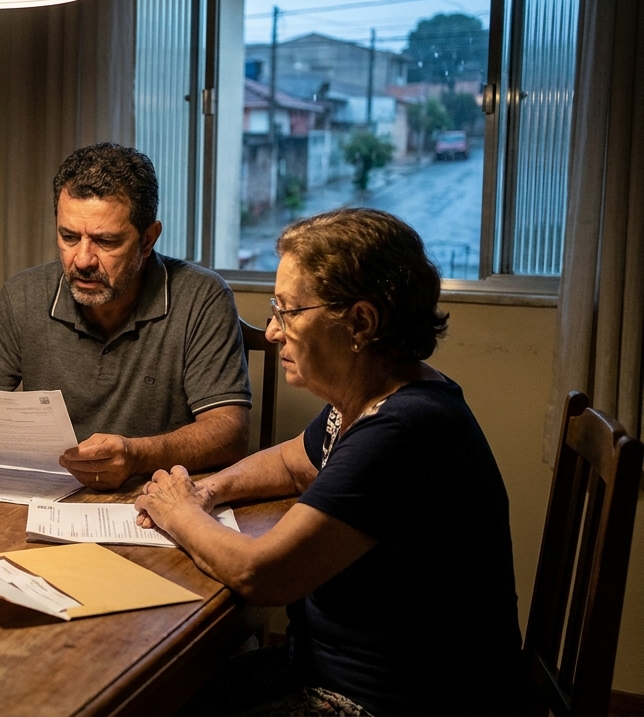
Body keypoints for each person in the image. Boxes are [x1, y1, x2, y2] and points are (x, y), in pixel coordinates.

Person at [135, 209, 530, 716]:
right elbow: (293, 460)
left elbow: (261, 575)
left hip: (380, 702)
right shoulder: (374, 399)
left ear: (361, 322)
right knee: (174, 695)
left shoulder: (401, 430)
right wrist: (207, 493)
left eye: (288, 311)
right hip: (329, 671)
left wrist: (178, 511)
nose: (273, 332)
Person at [0, 142, 251, 491]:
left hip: (150, 497)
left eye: (105, 241)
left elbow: (230, 431)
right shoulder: (23, 294)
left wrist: (138, 455)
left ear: (147, 239)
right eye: (68, 237)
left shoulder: (202, 296)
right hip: (45, 497)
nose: (82, 259)